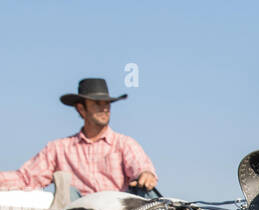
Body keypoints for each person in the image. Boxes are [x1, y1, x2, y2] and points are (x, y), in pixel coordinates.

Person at [0, 77, 158, 196]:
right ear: (81, 109)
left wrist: (146, 175)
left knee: (149, 196)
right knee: (67, 193)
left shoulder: (124, 144)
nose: (104, 109)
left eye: (107, 104)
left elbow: (140, 166)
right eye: (97, 104)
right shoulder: (59, 148)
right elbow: (27, 177)